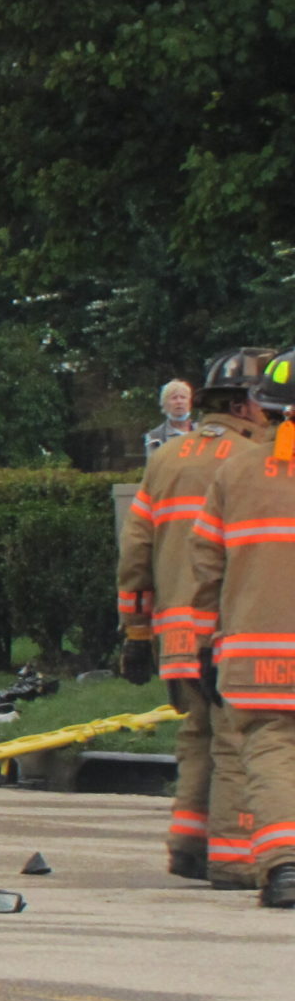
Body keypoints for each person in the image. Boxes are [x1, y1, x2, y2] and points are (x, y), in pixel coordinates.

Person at [117, 349, 275, 884]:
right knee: (237, 742)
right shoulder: (251, 460)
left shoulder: (166, 457)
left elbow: (135, 549)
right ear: (248, 402)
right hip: (227, 626)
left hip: (175, 630)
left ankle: (187, 845)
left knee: (197, 737)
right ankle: (233, 857)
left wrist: (136, 632)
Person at [186, 347, 295, 910]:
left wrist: (202, 645)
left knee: (272, 749)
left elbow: (205, 568)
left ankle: (284, 868)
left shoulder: (237, 472)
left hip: (258, 654)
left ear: (268, 407)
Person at [143, 379, 196, 459]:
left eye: (183, 397)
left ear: (190, 402)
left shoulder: (202, 430)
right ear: (164, 404)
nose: (179, 401)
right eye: (174, 398)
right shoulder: (155, 437)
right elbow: (153, 467)